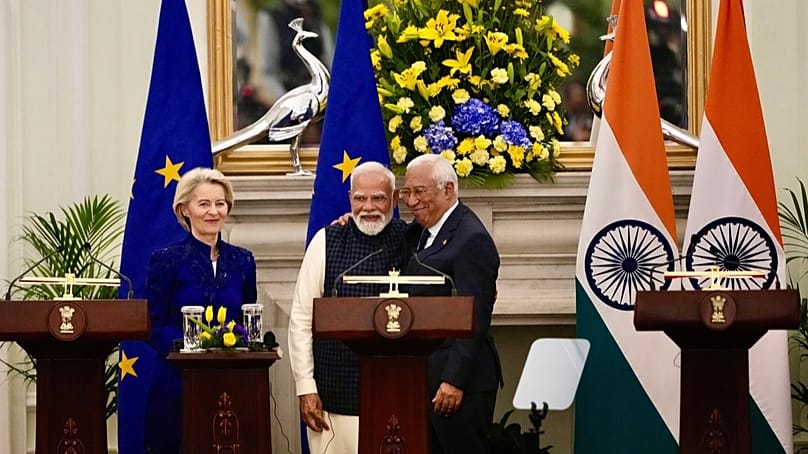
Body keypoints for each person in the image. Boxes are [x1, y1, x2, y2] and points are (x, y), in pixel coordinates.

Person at [288, 161, 408, 453]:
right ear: (350, 199)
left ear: (393, 199)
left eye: (378, 197)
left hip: (397, 393)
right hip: (334, 394)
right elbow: (302, 318)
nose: (368, 207)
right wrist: (306, 387)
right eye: (359, 198)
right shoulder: (326, 241)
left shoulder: (412, 240)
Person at [144, 167, 257, 453]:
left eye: (220, 203)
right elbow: (152, 323)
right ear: (185, 210)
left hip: (232, 381)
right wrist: (193, 348)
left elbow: (247, 318)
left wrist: (237, 343)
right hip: (177, 382)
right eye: (204, 204)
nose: (213, 211)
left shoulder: (243, 261)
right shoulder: (166, 260)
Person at [400, 154, 502, 454]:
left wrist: (453, 381)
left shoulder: (471, 239)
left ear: (448, 190)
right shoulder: (420, 231)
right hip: (424, 378)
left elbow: (474, 317)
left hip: (458, 387)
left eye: (420, 191)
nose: (411, 201)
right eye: (407, 192)